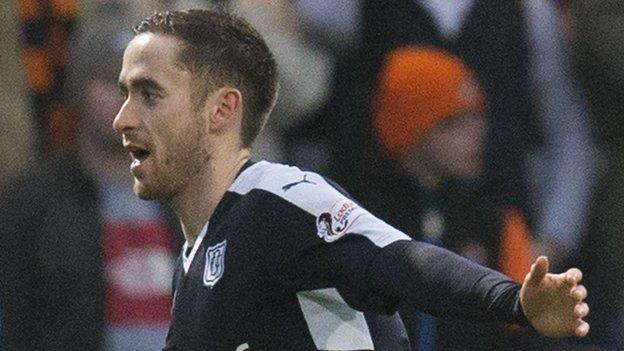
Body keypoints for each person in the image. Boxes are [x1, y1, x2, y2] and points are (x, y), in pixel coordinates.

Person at [113, 9, 589, 351]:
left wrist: (513, 302)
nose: (122, 119)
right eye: (125, 94)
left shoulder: (278, 202)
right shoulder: (195, 257)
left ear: (222, 110)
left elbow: (401, 262)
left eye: (149, 95)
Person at [0, 7, 181, 350]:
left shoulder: (188, 197)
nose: (125, 99)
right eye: (109, 80)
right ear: (79, 89)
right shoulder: (31, 206)